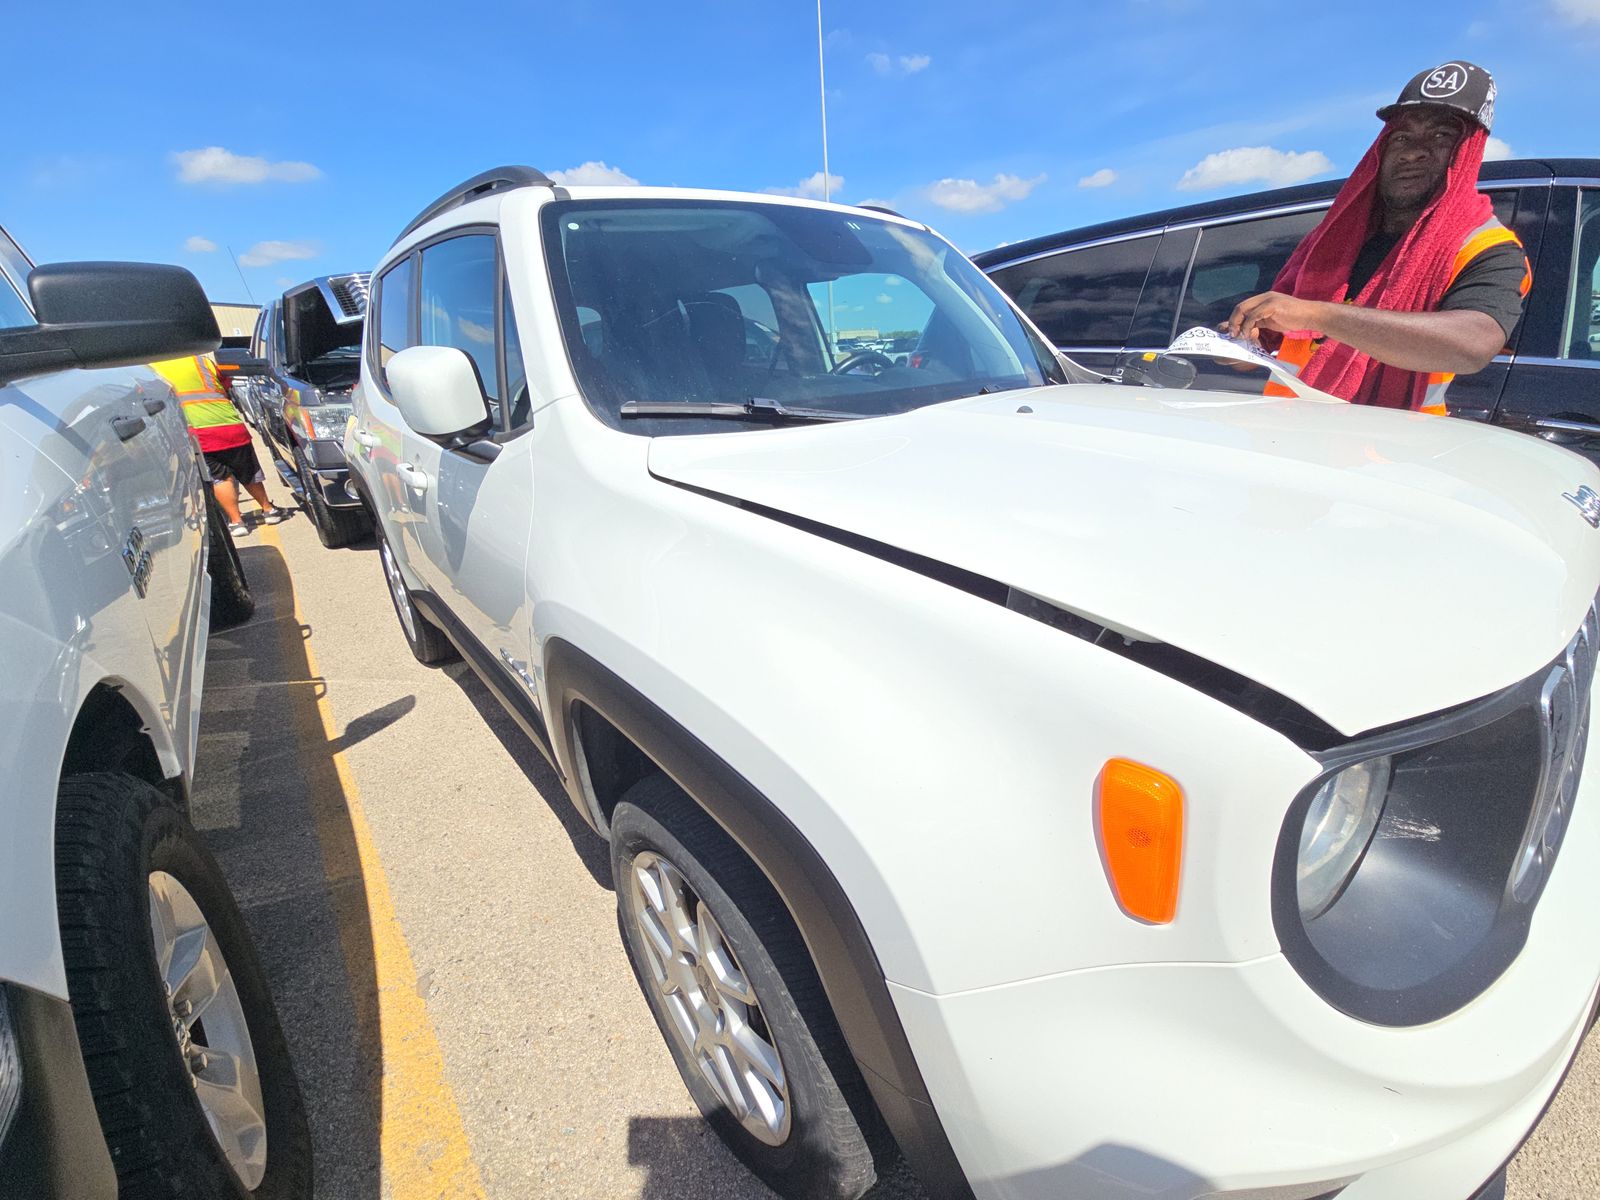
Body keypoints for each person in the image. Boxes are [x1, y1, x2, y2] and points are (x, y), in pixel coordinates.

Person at [1225, 61, 1531, 412]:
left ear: (1468, 150)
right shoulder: (1329, 241)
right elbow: (1276, 340)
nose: (1414, 150)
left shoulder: (1487, 248)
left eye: (1441, 136)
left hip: (1393, 455)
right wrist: (1242, 342)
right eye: (1402, 136)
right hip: (1289, 442)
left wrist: (1317, 315)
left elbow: (1473, 343)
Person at [150, 352, 289, 537]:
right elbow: (226, 383)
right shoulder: (201, 360)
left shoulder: (153, 368)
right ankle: (268, 510)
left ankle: (236, 522)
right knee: (248, 470)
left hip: (199, 432)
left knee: (220, 478)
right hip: (229, 424)